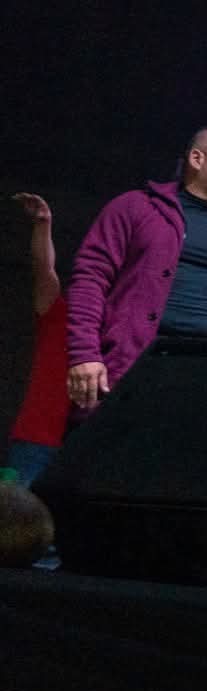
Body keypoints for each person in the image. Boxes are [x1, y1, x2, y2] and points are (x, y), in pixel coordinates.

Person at [66, 127, 207, 412]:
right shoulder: (134, 207)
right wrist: (85, 353)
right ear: (197, 159)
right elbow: (90, 280)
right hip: (127, 367)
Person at [5, 194, 67, 487]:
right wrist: (43, 225)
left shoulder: (121, 328)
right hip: (37, 438)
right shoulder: (61, 312)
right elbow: (44, 270)